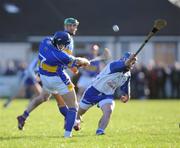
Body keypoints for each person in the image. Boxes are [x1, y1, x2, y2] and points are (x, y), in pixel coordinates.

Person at [17, 31, 90, 138]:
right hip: (56, 79)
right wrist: (86, 61)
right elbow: (76, 62)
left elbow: (68, 62)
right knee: (73, 106)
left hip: (44, 77)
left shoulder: (45, 41)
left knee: (43, 97)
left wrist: (73, 64)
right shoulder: (60, 55)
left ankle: (24, 115)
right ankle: (68, 134)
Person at [74, 52, 137, 135]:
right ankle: (76, 120)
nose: (132, 64)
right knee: (79, 113)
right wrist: (129, 60)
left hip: (107, 95)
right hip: (93, 91)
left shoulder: (128, 74)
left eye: (134, 63)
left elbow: (126, 85)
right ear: (125, 60)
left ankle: (100, 130)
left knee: (108, 111)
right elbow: (125, 65)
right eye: (132, 62)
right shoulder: (115, 64)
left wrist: (127, 95)